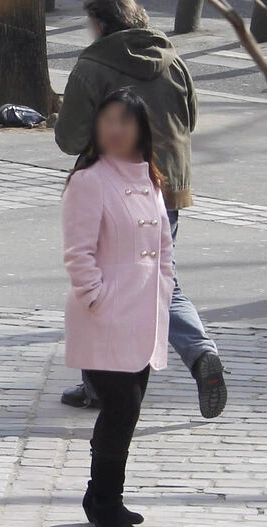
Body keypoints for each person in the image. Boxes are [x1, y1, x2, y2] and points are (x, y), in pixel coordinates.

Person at [55, 0, 227, 419]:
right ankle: (200, 351)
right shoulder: (172, 59)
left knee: (106, 275)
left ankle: (98, 382)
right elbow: (190, 117)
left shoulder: (92, 65)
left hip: (112, 185)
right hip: (165, 182)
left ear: (98, 23)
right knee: (159, 277)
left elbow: (71, 136)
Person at [63, 89, 174, 527]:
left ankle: (105, 495)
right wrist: (98, 298)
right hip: (106, 318)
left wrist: (164, 284)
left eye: (125, 121)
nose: (114, 129)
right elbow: (78, 253)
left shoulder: (149, 176)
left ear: (141, 130)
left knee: (126, 412)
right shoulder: (90, 180)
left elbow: (164, 246)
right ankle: (104, 500)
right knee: (120, 408)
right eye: (107, 119)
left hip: (144, 317)